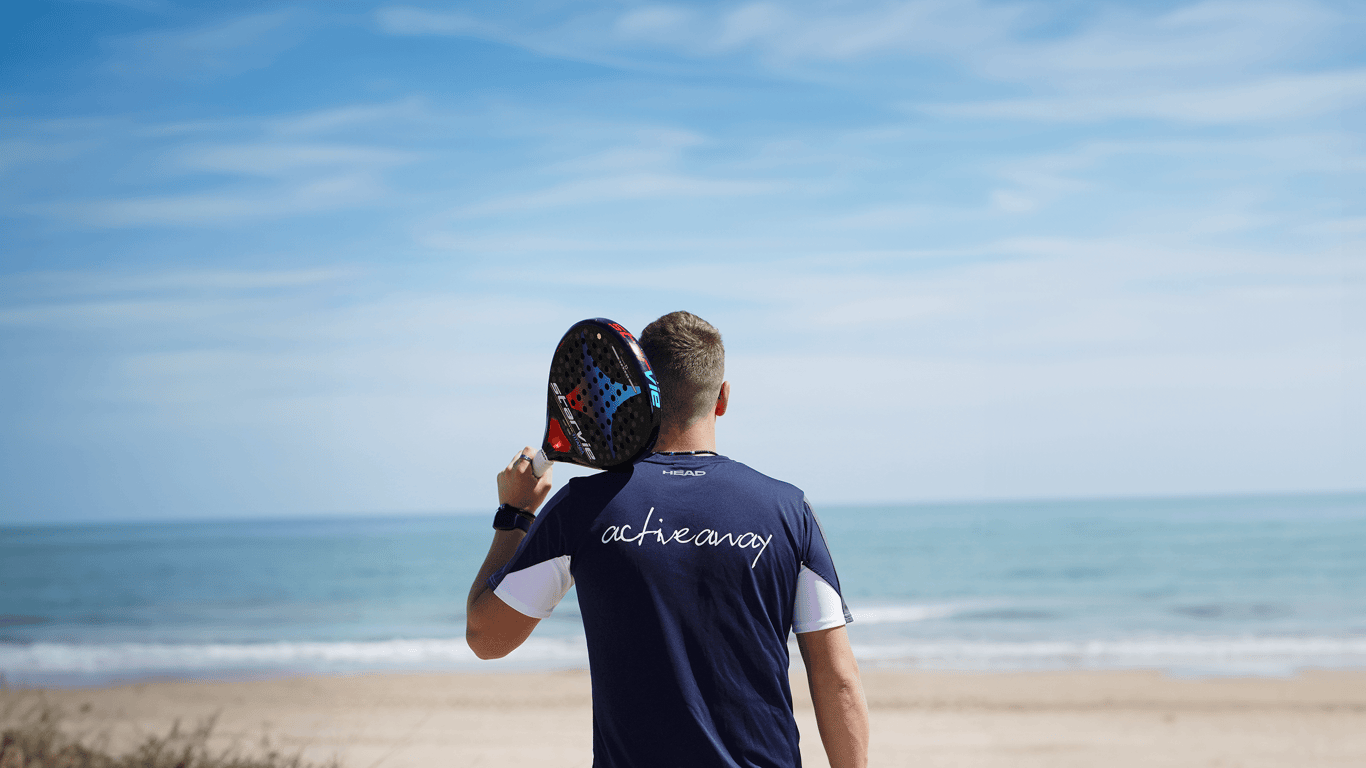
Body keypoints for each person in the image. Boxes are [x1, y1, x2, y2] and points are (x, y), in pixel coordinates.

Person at [466, 311, 869, 768]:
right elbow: (837, 678)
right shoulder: (788, 510)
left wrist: (515, 515)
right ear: (722, 398)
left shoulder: (583, 507)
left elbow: (486, 638)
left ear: (639, 394)